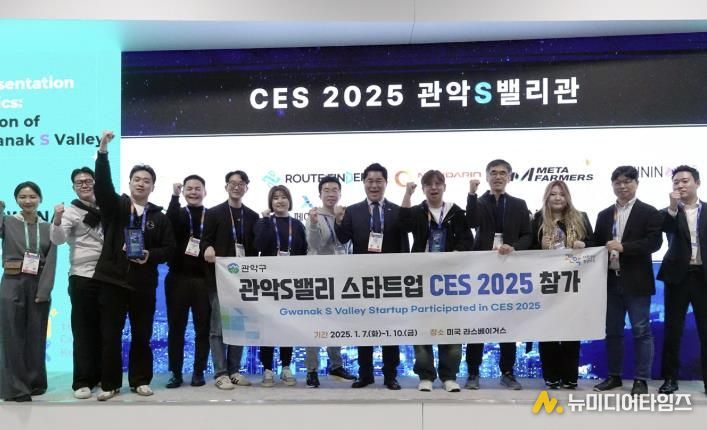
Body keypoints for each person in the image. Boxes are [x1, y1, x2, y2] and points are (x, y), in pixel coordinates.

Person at [93, 131, 176, 401]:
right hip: (112, 280)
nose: (141, 183)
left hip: (143, 284)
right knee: (110, 335)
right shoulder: (116, 207)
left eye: (146, 181)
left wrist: (150, 255)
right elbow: (102, 186)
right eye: (137, 179)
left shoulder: (159, 217)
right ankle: (110, 384)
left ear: (153, 187)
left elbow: (170, 249)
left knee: (142, 335)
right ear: (129, 183)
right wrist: (103, 151)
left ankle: (140, 380)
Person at [335, 163, 410, 390]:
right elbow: (343, 238)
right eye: (370, 181)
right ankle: (365, 374)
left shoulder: (397, 211)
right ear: (364, 183)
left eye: (379, 181)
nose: (374, 185)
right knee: (364, 328)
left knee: (390, 328)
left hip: (390, 280)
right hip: (362, 280)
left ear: (386, 183)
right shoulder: (353, 211)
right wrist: (338, 220)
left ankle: (390, 376)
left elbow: (404, 244)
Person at [400, 170, 474, 393]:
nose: (434, 188)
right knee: (422, 327)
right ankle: (426, 376)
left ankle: (449, 376)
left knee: (451, 327)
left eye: (438, 184)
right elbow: (402, 223)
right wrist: (407, 194)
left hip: (450, 279)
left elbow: (467, 240)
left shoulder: (455, 212)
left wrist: (454, 254)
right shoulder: (418, 211)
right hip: (421, 278)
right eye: (429, 185)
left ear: (444, 187)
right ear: (423, 189)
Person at [592, 165, 662, 395]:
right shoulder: (604, 215)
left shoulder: (649, 212)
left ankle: (641, 379)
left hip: (637, 281)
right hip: (610, 281)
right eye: (618, 182)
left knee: (641, 331)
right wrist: (583, 245)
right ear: (612, 185)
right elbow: (596, 244)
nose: (622, 186)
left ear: (636, 184)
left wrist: (624, 247)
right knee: (612, 331)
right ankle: (614, 376)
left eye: (627, 182)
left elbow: (654, 243)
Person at [464, 159, 532, 390]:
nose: (498, 177)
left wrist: (514, 247)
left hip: (509, 272)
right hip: (481, 273)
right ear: (487, 177)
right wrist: (471, 194)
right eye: (493, 173)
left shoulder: (519, 204)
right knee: (477, 323)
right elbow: (470, 222)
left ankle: (508, 372)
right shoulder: (478, 202)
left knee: (508, 324)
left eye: (503, 173)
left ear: (509, 177)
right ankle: (473, 373)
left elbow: (528, 235)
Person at [530, 180, 593, 390]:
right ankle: (551, 376)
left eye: (562, 194)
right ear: (547, 197)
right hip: (546, 283)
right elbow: (527, 249)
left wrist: (584, 245)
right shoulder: (537, 219)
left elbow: (596, 245)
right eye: (553, 194)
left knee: (571, 330)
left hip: (574, 283)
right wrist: (539, 247)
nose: (558, 198)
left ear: (568, 197)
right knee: (547, 329)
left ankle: (570, 377)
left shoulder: (581, 217)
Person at [201, 170, 259, 390]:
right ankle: (220, 373)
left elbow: (255, 248)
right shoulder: (214, 213)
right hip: (219, 279)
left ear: (246, 188)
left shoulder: (253, 216)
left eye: (241, 183)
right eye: (232, 183)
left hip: (242, 282)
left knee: (239, 328)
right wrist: (208, 248)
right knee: (218, 328)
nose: (236, 186)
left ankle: (234, 371)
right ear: (226, 186)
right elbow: (205, 240)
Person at [50, 167, 104, 399]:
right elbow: (58, 239)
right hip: (82, 276)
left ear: (95, 183)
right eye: (79, 182)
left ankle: (101, 376)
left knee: (105, 330)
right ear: (73, 187)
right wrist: (57, 218)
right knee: (83, 330)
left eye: (88, 181)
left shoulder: (108, 207)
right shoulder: (70, 212)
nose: (84, 185)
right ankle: (82, 381)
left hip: (108, 277)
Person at [0, 182, 57, 402]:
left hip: (38, 282)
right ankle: (16, 387)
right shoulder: (8, 222)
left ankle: (35, 382)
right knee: (11, 335)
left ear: (40, 199)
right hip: (12, 281)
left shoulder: (48, 227)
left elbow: (51, 259)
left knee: (36, 334)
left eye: (32, 196)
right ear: (16, 200)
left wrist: (45, 289)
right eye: (22, 197)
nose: (27, 201)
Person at [656, 165, 707, 395]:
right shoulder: (667, 212)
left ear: (697, 183)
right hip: (678, 277)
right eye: (676, 182)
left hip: (703, 276)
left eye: (685, 181)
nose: (680, 185)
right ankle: (669, 379)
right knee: (672, 330)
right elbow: (665, 229)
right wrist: (673, 207)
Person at [304, 175, 356, 388]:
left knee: (336, 321)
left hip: (340, 277)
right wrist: (314, 224)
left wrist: (341, 220)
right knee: (314, 323)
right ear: (320, 194)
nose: (331, 194)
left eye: (335, 190)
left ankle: (336, 366)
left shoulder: (346, 214)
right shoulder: (314, 215)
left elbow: (349, 243)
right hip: (318, 277)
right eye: (326, 190)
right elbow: (314, 245)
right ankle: (312, 370)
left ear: (340, 193)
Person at [254, 184, 307, 387]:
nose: (280, 201)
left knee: (287, 325)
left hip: (291, 282)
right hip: (268, 282)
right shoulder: (263, 222)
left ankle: (286, 366)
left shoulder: (297, 224)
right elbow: (259, 245)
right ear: (270, 202)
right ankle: (267, 369)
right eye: (275, 197)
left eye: (283, 197)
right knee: (267, 325)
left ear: (289, 200)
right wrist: (267, 221)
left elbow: (303, 252)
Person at [164, 175, 210, 389]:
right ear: (183, 192)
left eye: (197, 188)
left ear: (204, 192)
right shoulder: (178, 213)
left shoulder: (211, 215)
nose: (193, 192)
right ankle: (175, 373)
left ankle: (198, 372)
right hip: (177, 278)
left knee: (203, 329)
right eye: (189, 188)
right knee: (176, 328)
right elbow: (169, 222)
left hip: (203, 280)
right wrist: (174, 197)